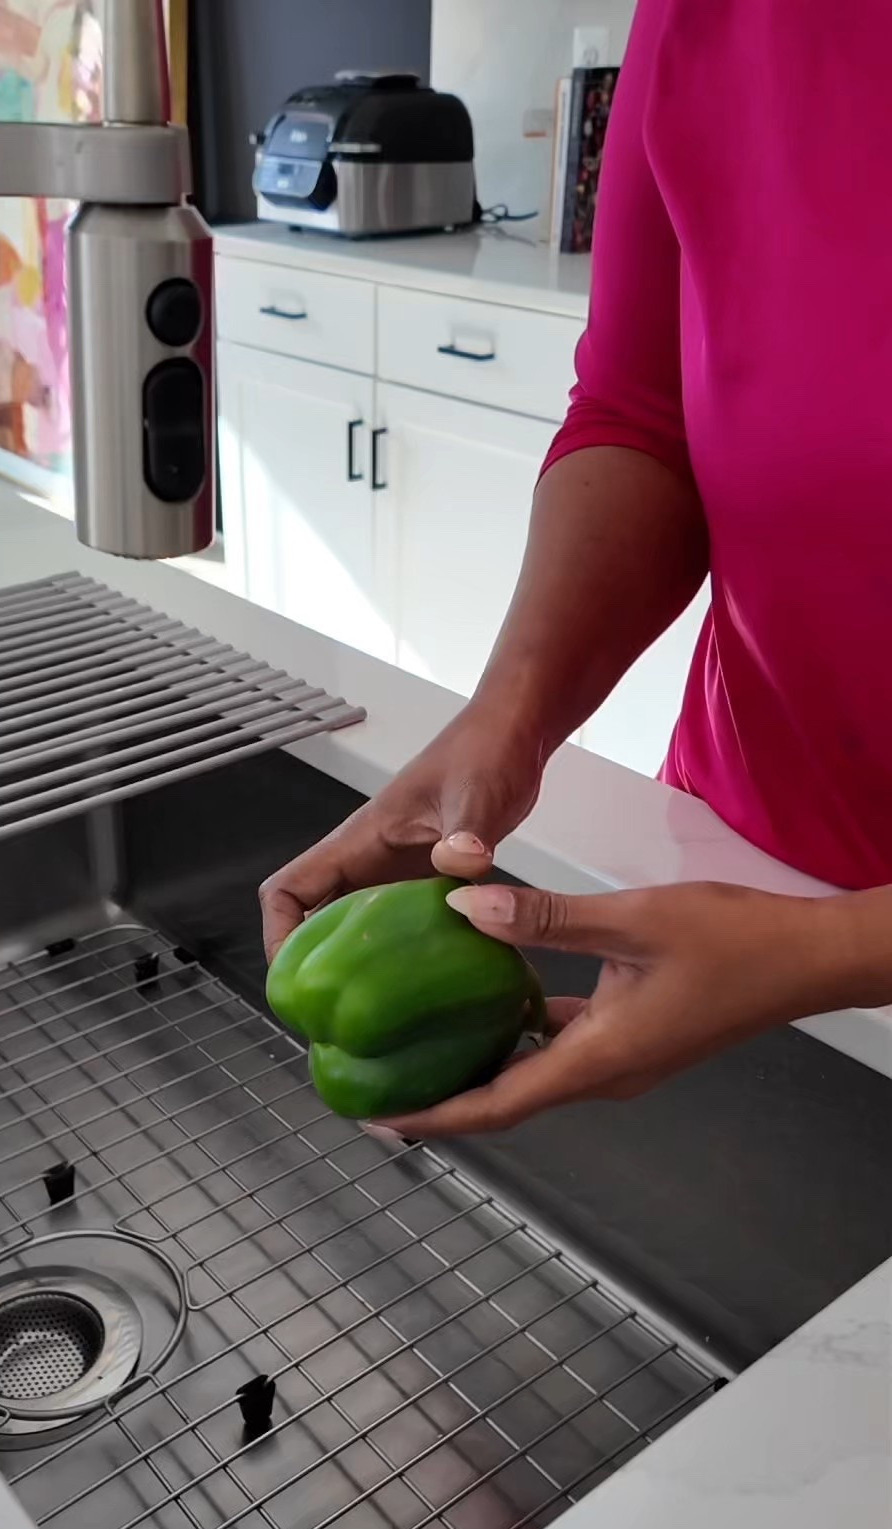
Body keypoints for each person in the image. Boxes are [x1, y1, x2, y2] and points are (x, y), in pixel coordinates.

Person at [260, 0, 892, 1135]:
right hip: (735, 853)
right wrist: (507, 717)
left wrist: (833, 951)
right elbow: (642, 414)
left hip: (775, 942)